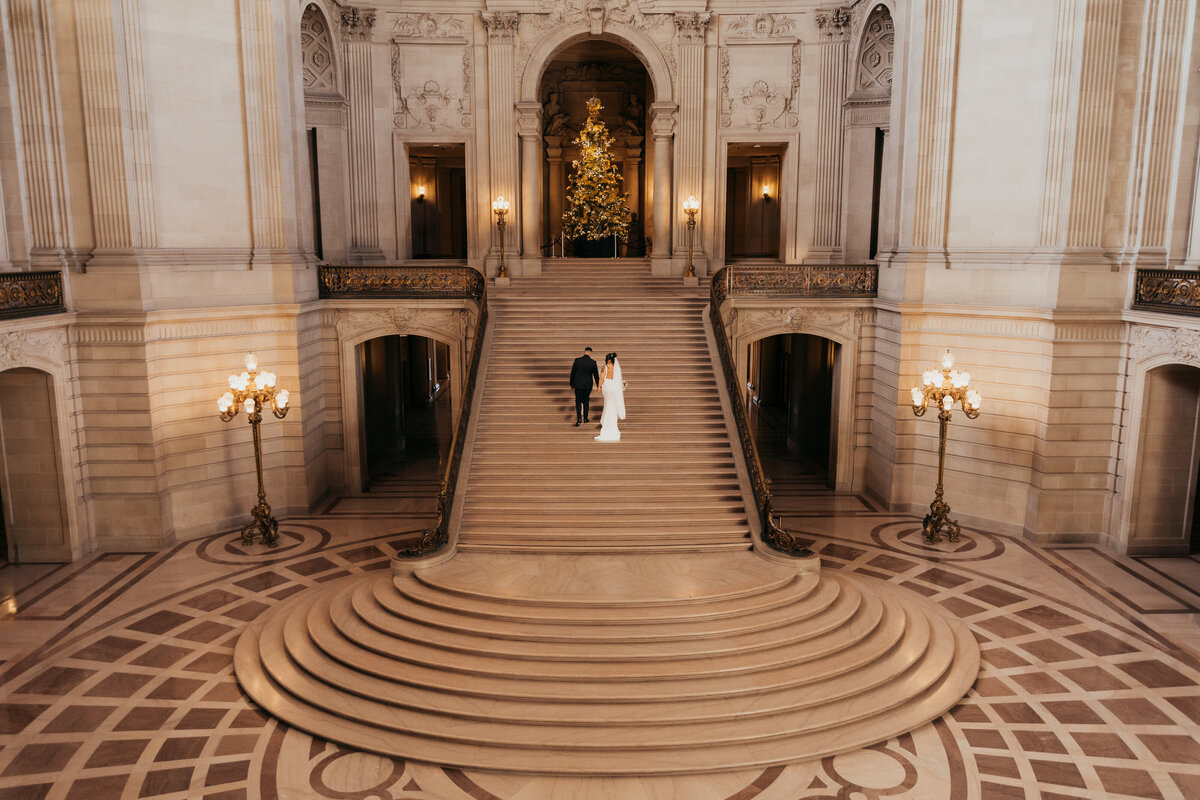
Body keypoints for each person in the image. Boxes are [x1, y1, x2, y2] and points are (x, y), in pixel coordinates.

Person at [594, 352, 626, 442]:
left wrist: (599, 386)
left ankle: (607, 423)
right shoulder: (616, 368)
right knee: (613, 405)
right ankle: (612, 424)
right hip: (614, 388)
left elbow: (601, 378)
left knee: (608, 404)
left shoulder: (606, 367)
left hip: (607, 387)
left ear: (607, 359)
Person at [569, 346, 599, 427]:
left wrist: (571, 384)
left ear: (584, 351)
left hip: (578, 384)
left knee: (578, 401)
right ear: (591, 353)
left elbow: (572, 373)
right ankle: (585, 418)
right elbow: (596, 376)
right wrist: (599, 385)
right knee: (586, 401)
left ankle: (579, 419)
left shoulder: (577, 360)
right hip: (588, 385)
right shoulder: (593, 362)